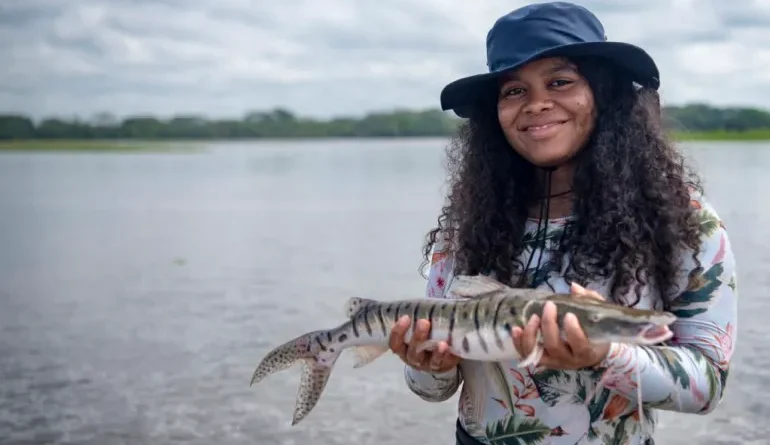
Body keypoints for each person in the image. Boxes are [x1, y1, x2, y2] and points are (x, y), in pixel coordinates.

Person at [387, 2, 738, 445]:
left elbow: (707, 385)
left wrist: (605, 355)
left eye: (560, 82)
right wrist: (427, 368)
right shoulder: (467, 225)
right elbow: (432, 388)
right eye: (513, 91)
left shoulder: (685, 222)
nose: (536, 104)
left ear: (604, 92)